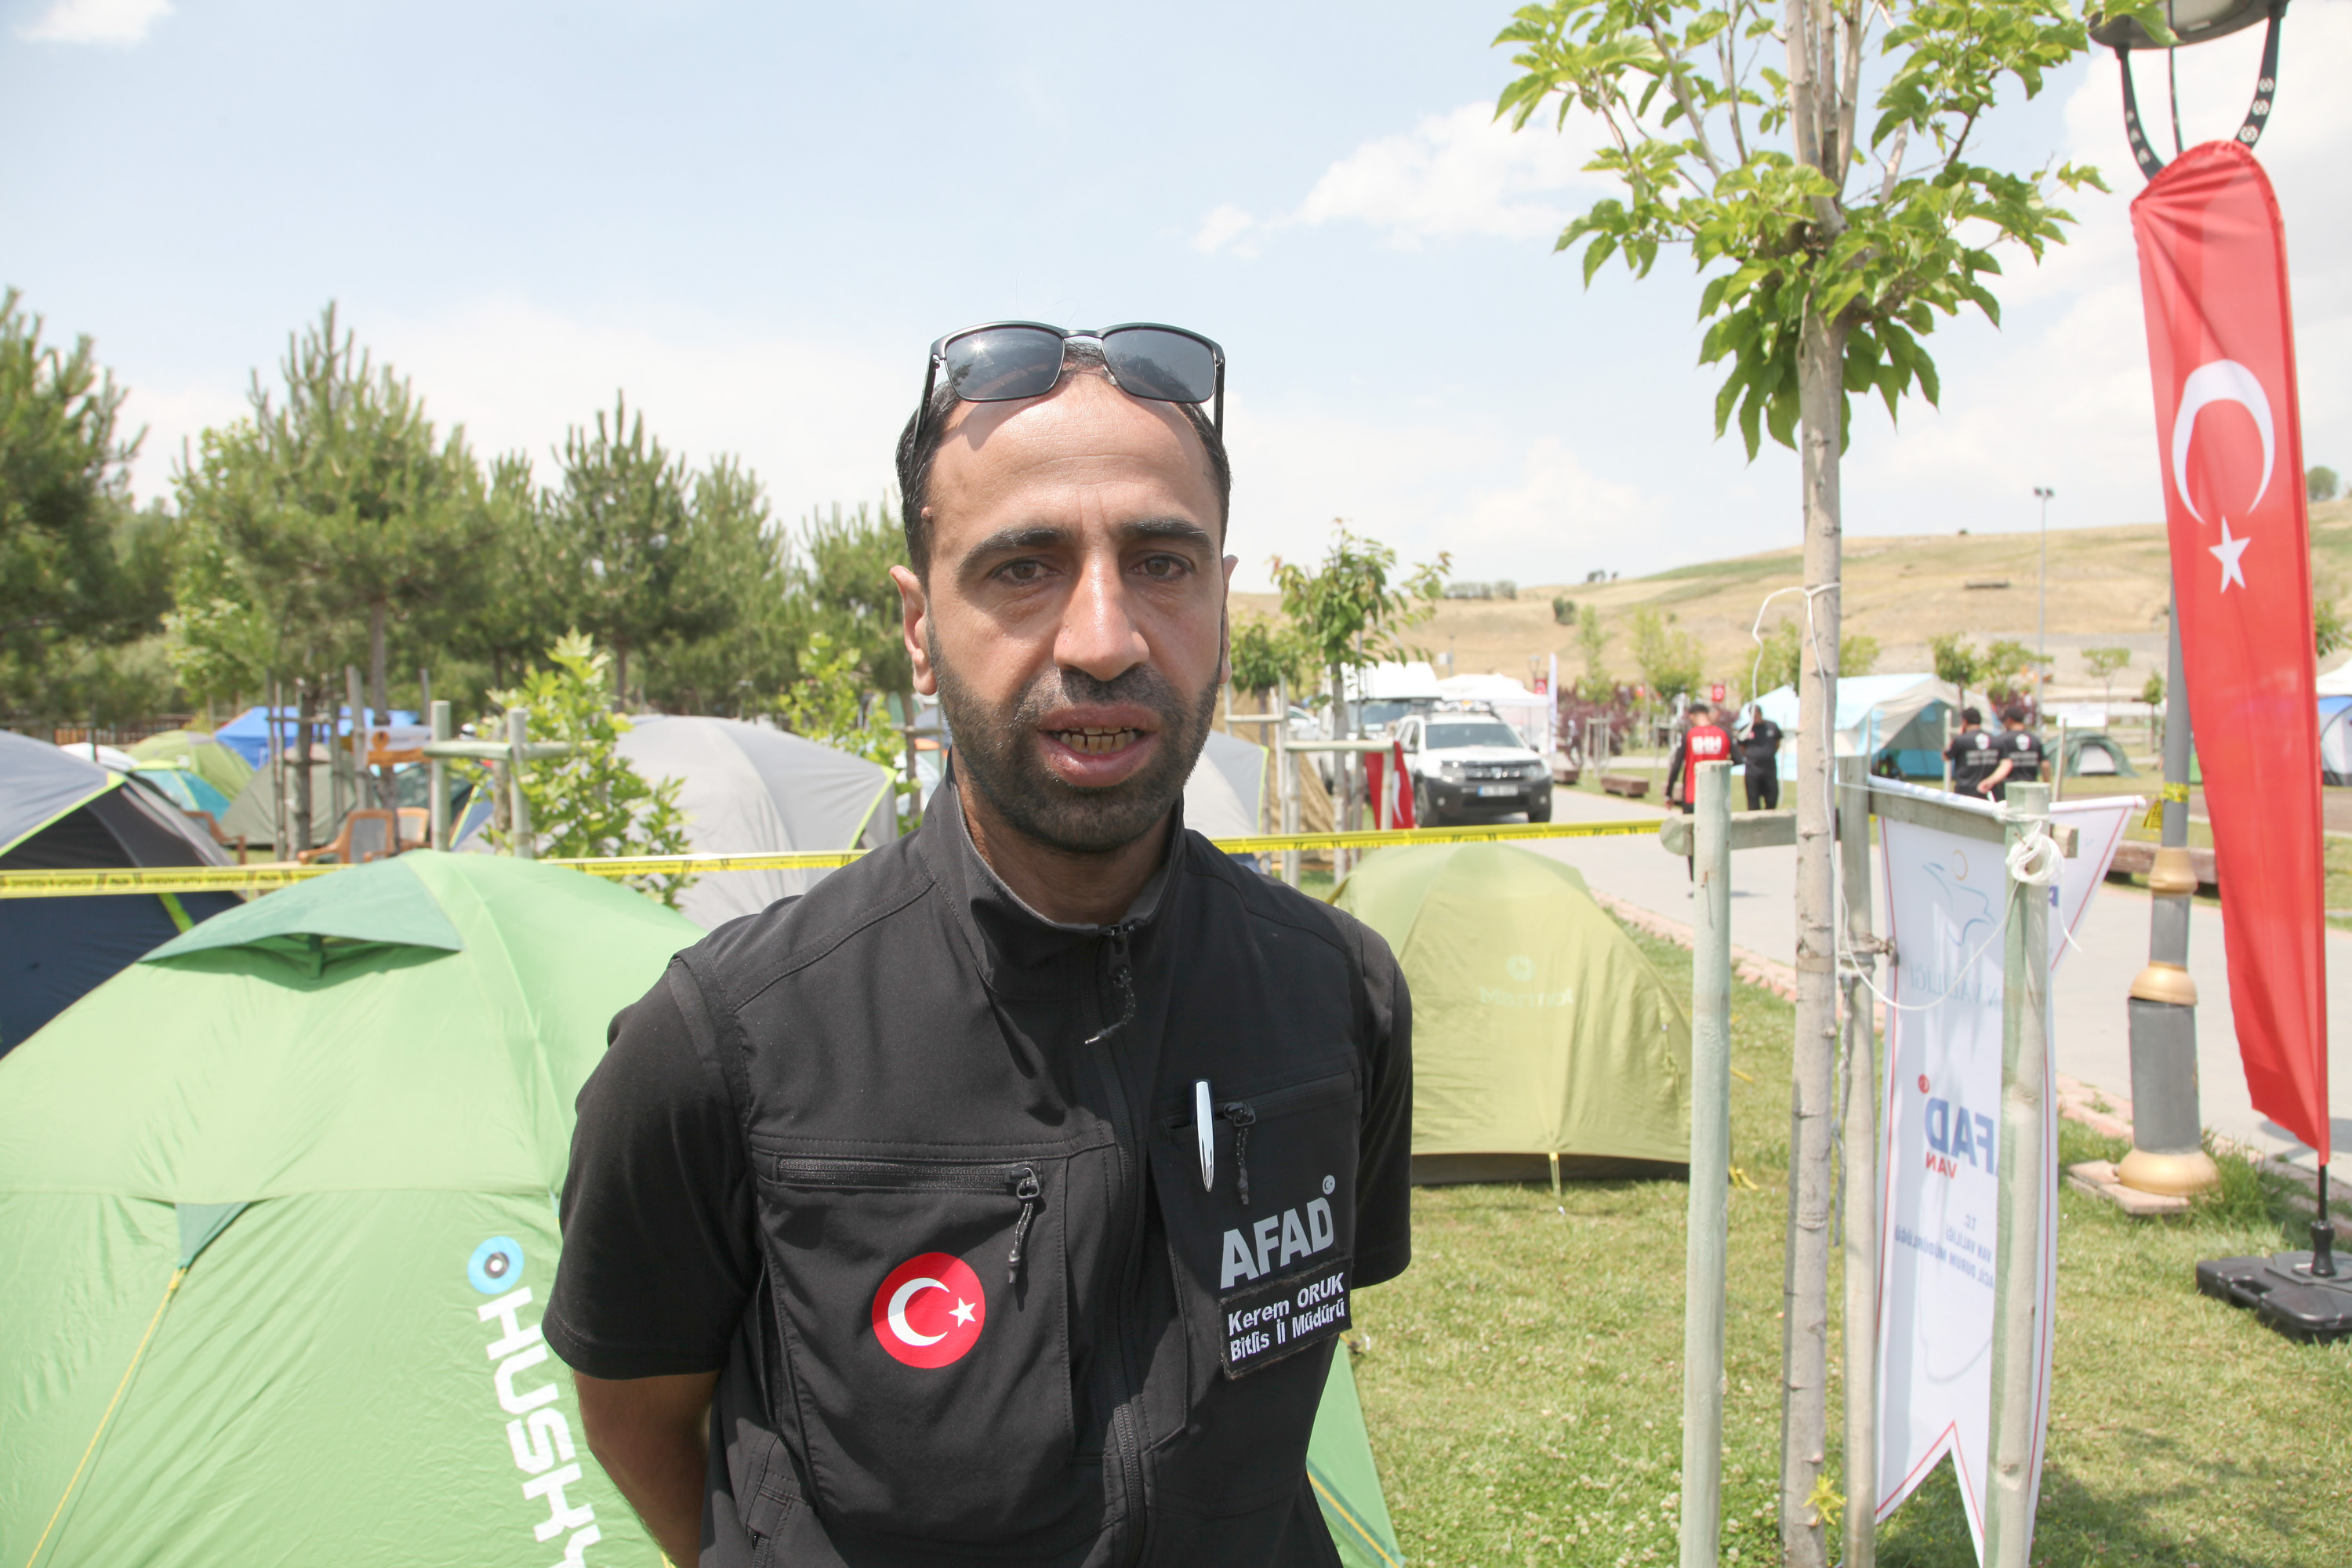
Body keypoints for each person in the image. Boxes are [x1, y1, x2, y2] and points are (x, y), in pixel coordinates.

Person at [546, 323, 1414, 1567]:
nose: (1105, 637)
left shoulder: (1338, 995)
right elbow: (637, 1415)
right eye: (1023, 568)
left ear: (1222, 598)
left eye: (1163, 564)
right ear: (918, 627)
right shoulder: (722, 1045)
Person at [1665, 701, 1733, 883]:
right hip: (1718, 796)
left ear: (1692, 716)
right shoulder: (1724, 734)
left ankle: (1697, 879)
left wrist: (1669, 793)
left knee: (1693, 839)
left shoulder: (1689, 735)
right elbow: (1739, 759)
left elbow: (1677, 765)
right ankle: (1716, 878)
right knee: (1717, 838)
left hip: (1693, 795)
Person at [1977, 702, 2048, 801]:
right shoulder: (2035, 739)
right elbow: (2045, 765)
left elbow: (2000, 764)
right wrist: (2046, 785)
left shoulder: (2002, 740)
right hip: (2031, 789)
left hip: (2007, 790)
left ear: (2010, 720)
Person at [1737, 702, 1782, 811]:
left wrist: (1768, 754)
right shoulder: (1746, 729)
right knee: (1753, 799)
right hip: (1752, 768)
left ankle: (1770, 818)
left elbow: (1777, 743)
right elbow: (1741, 747)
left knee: (1771, 797)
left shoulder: (1772, 726)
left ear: (1761, 714)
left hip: (1769, 767)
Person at [1944, 706, 1996, 797]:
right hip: (1988, 792)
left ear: (1965, 722)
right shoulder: (1994, 739)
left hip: (1964, 792)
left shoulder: (1961, 740)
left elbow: (1945, 756)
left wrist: (1958, 736)